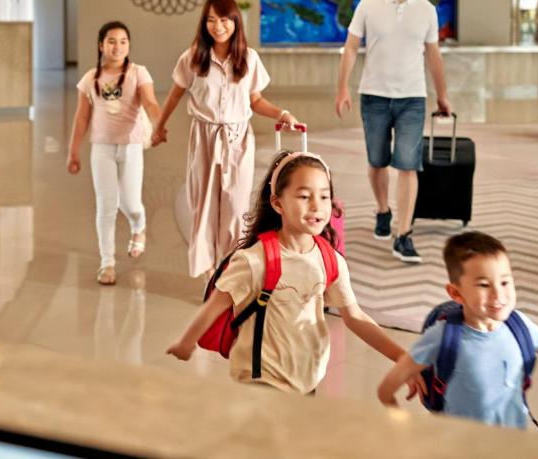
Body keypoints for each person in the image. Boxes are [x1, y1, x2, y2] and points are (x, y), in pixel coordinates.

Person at [167, 150, 424, 396]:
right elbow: (215, 304)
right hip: (260, 379)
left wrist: (402, 358)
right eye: (304, 196)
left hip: (305, 379)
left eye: (324, 196)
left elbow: (354, 316)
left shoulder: (329, 259)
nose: (316, 206)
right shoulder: (254, 260)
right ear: (277, 202)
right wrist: (187, 343)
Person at [376, 231, 538, 428]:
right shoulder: (443, 337)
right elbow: (386, 389)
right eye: (484, 284)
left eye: (505, 281)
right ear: (456, 293)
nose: (498, 294)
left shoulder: (518, 325)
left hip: (511, 441)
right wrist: (399, 421)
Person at [152, 0, 298, 278]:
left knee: (235, 205)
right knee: (203, 205)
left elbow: (255, 101)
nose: (217, 26)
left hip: (238, 138)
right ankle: (209, 274)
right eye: (211, 20)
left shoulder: (249, 58)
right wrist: (159, 125)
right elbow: (174, 95)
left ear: (235, 22)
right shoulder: (193, 57)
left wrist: (282, 113)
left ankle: (231, 270)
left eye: (224, 20)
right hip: (204, 138)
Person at [335, 0, 452, 264]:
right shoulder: (367, 6)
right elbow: (350, 49)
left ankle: (403, 234)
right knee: (377, 161)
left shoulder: (427, 9)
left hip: (413, 98)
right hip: (373, 95)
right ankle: (383, 210)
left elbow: (434, 55)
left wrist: (441, 95)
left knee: (407, 165)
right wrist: (343, 87)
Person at [67, 21, 161, 285]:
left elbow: (150, 102)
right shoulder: (90, 78)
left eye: (122, 41)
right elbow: (81, 118)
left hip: (130, 146)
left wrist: (159, 123)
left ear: (128, 45)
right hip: (102, 148)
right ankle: (107, 262)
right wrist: (73, 151)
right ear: (101, 45)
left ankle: (138, 227)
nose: (117, 46)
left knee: (130, 203)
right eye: (111, 41)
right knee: (106, 206)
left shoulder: (138, 73)